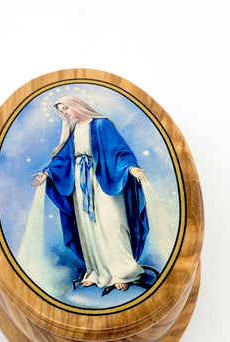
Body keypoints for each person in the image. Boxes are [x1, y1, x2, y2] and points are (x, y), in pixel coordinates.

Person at [31, 96, 149, 291]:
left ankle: (122, 272)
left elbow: (119, 150)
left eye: (66, 108)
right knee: (88, 227)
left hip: (103, 180)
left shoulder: (101, 125)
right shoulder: (74, 130)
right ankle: (97, 271)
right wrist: (47, 173)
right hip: (81, 183)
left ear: (76, 105)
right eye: (61, 110)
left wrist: (131, 168)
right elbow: (63, 158)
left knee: (112, 224)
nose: (64, 113)